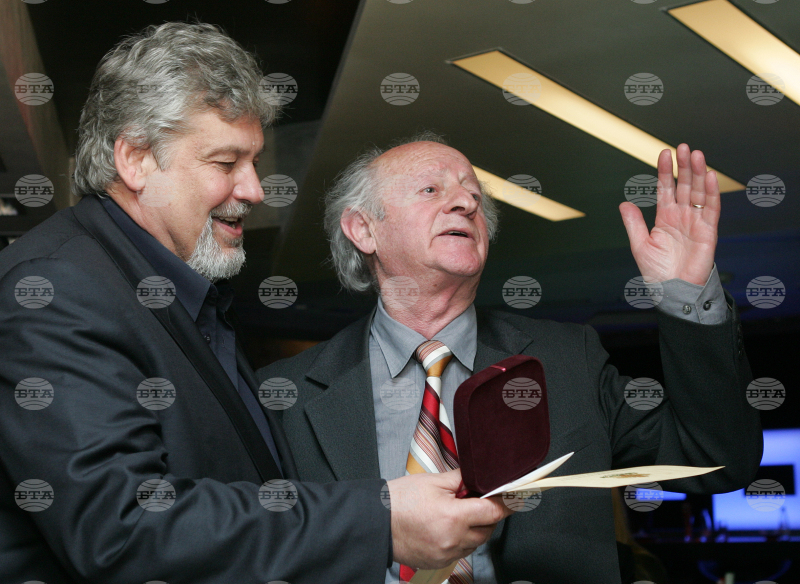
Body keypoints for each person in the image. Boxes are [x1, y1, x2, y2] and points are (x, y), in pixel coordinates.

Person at [0, 25, 510, 583]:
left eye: (254, 163)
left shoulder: (182, 293)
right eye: (225, 164)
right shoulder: (58, 288)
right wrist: (379, 520)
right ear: (135, 159)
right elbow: (122, 529)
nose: (254, 190)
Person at [258, 133, 763, 583]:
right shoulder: (284, 395)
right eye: (431, 190)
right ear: (364, 229)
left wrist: (685, 293)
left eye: (474, 196)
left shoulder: (569, 361)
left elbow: (715, 461)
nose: (466, 202)